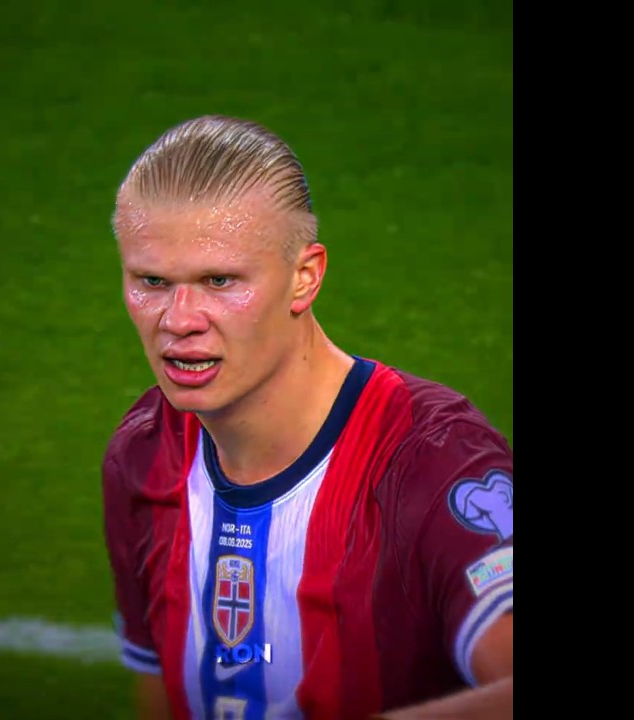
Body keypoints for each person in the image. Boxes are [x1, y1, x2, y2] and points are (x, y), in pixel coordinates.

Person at [102, 115, 513, 720]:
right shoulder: (142, 454)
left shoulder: (432, 462)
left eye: (219, 280)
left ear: (305, 277)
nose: (179, 319)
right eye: (152, 281)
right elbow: (159, 691)